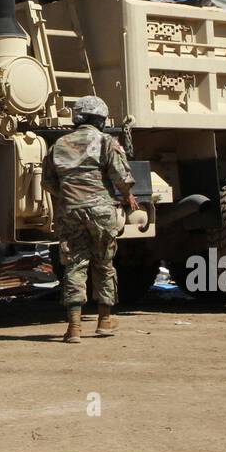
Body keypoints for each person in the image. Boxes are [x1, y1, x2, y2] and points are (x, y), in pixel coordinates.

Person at [42, 96, 136, 343]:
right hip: (101, 211)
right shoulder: (105, 141)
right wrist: (128, 196)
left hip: (70, 211)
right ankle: (104, 321)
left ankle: (73, 327)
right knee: (103, 263)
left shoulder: (58, 144)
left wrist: (69, 196)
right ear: (99, 119)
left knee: (74, 264)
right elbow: (121, 176)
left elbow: (48, 182)